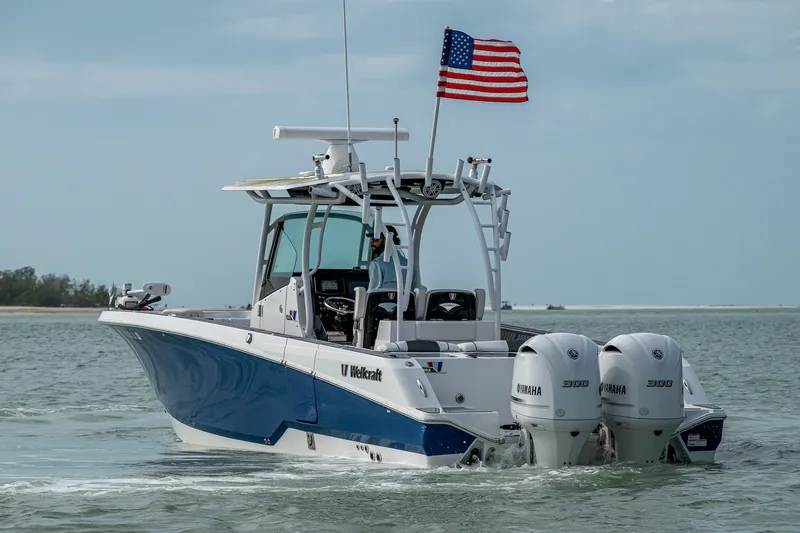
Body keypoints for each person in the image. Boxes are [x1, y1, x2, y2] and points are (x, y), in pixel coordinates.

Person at [366, 225, 419, 292]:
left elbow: (372, 292)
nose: (371, 242)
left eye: (374, 238)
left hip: (382, 302)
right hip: (405, 302)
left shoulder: (377, 264)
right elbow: (414, 291)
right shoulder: (410, 265)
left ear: (386, 239)